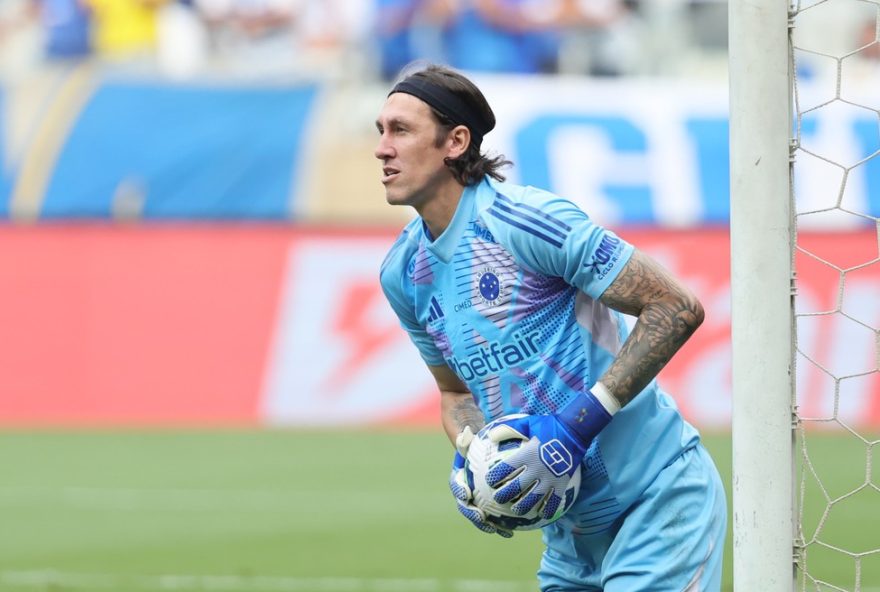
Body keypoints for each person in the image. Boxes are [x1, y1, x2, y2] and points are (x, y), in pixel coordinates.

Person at [376, 63, 727, 591]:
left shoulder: (526, 221)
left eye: (400, 130)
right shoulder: (403, 274)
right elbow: (454, 394)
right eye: (379, 131)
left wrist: (576, 426)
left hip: (656, 501)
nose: (382, 148)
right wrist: (477, 456)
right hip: (569, 535)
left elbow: (674, 307)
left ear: (456, 141)